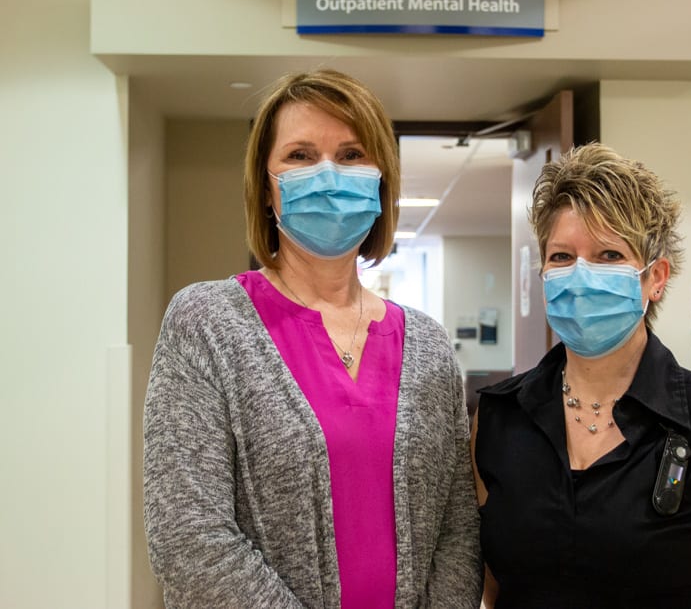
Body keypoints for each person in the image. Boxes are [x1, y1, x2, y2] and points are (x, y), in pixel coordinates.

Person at [143, 69, 482, 608]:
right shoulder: (206, 323)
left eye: (350, 155)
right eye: (300, 155)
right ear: (266, 187)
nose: (328, 174)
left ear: (380, 181)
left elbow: (458, 529)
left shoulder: (428, 345)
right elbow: (189, 537)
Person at [472, 143, 691, 608]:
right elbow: (495, 593)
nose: (581, 276)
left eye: (607, 255)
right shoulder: (499, 420)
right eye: (562, 257)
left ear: (655, 277)